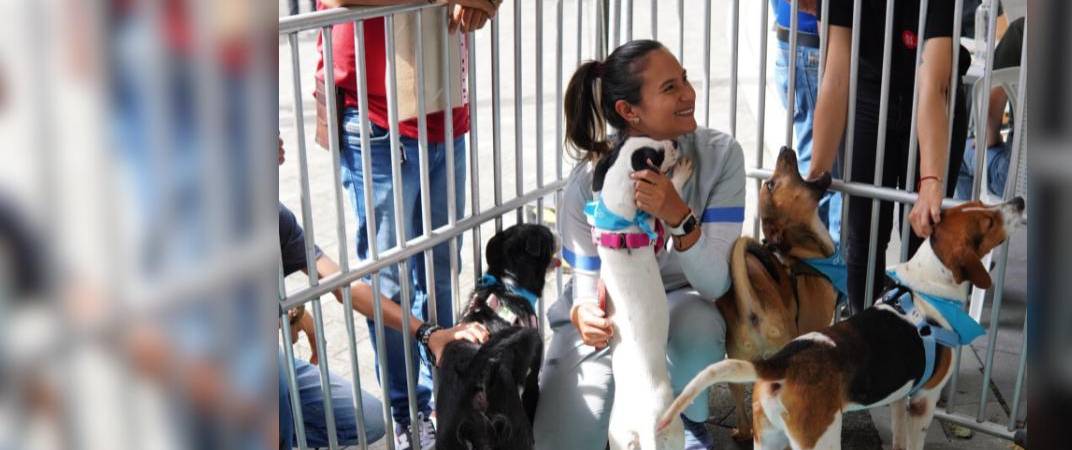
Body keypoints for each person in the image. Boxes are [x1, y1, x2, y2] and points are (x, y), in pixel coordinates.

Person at [531, 40, 746, 450]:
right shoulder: (590, 178)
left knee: (699, 330)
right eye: (670, 88)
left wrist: (678, 216)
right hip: (612, 313)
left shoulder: (722, 156)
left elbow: (716, 285)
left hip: (683, 300)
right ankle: (623, 423)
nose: (688, 94)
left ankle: (685, 421)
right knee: (563, 440)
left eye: (684, 79)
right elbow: (584, 284)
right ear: (629, 112)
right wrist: (582, 313)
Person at [313, 1, 502, 447]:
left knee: (440, 269)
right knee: (389, 280)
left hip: (445, 108)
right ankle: (409, 413)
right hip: (376, 114)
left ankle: (441, 398)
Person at [277, 141, 490, 449]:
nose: (280, 143)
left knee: (369, 420)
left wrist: (428, 333)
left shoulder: (275, 218)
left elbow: (346, 286)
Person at [802, 0, 971, 312]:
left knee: (925, 235)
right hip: (868, 94)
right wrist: (815, 177)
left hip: (934, 98)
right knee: (862, 237)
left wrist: (931, 180)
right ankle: (862, 339)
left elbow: (933, 85)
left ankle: (920, 350)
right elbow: (836, 76)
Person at [772, 0, 842, 243]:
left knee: (820, 170)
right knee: (830, 176)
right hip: (813, 45)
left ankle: (818, 264)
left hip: (797, 41)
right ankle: (827, 268)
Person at [955, 16, 1023, 201]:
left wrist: (989, 139)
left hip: (1020, 179)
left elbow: (989, 121)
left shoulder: (1024, 32)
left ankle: (975, 229)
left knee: (957, 154)